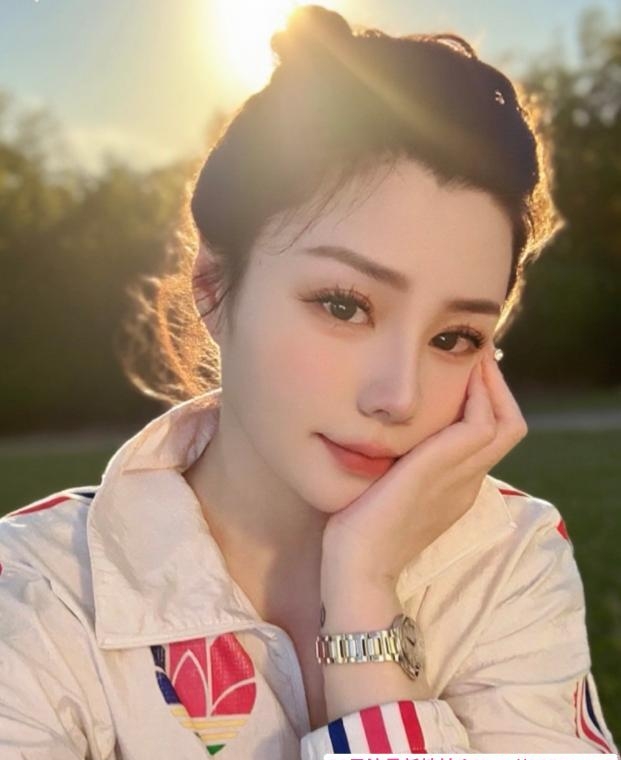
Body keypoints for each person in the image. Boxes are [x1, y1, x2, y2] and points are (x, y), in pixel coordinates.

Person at [0, 5, 617, 758]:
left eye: (453, 338)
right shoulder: (38, 593)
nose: (398, 396)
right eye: (343, 305)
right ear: (213, 284)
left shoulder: (504, 559)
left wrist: (363, 590)